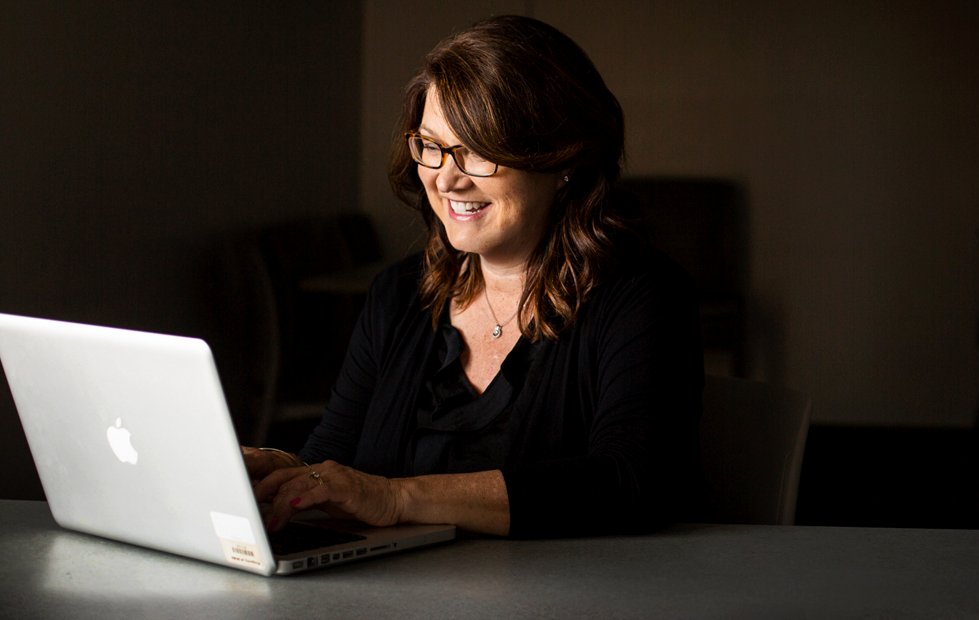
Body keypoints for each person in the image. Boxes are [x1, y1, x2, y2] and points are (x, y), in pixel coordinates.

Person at [242, 15, 701, 538]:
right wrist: (285, 472)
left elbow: (632, 484)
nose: (446, 176)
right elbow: (335, 455)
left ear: (564, 159)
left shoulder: (643, 297)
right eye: (431, 145)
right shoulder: (397, 295)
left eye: (478, 150)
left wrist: (396, 497)